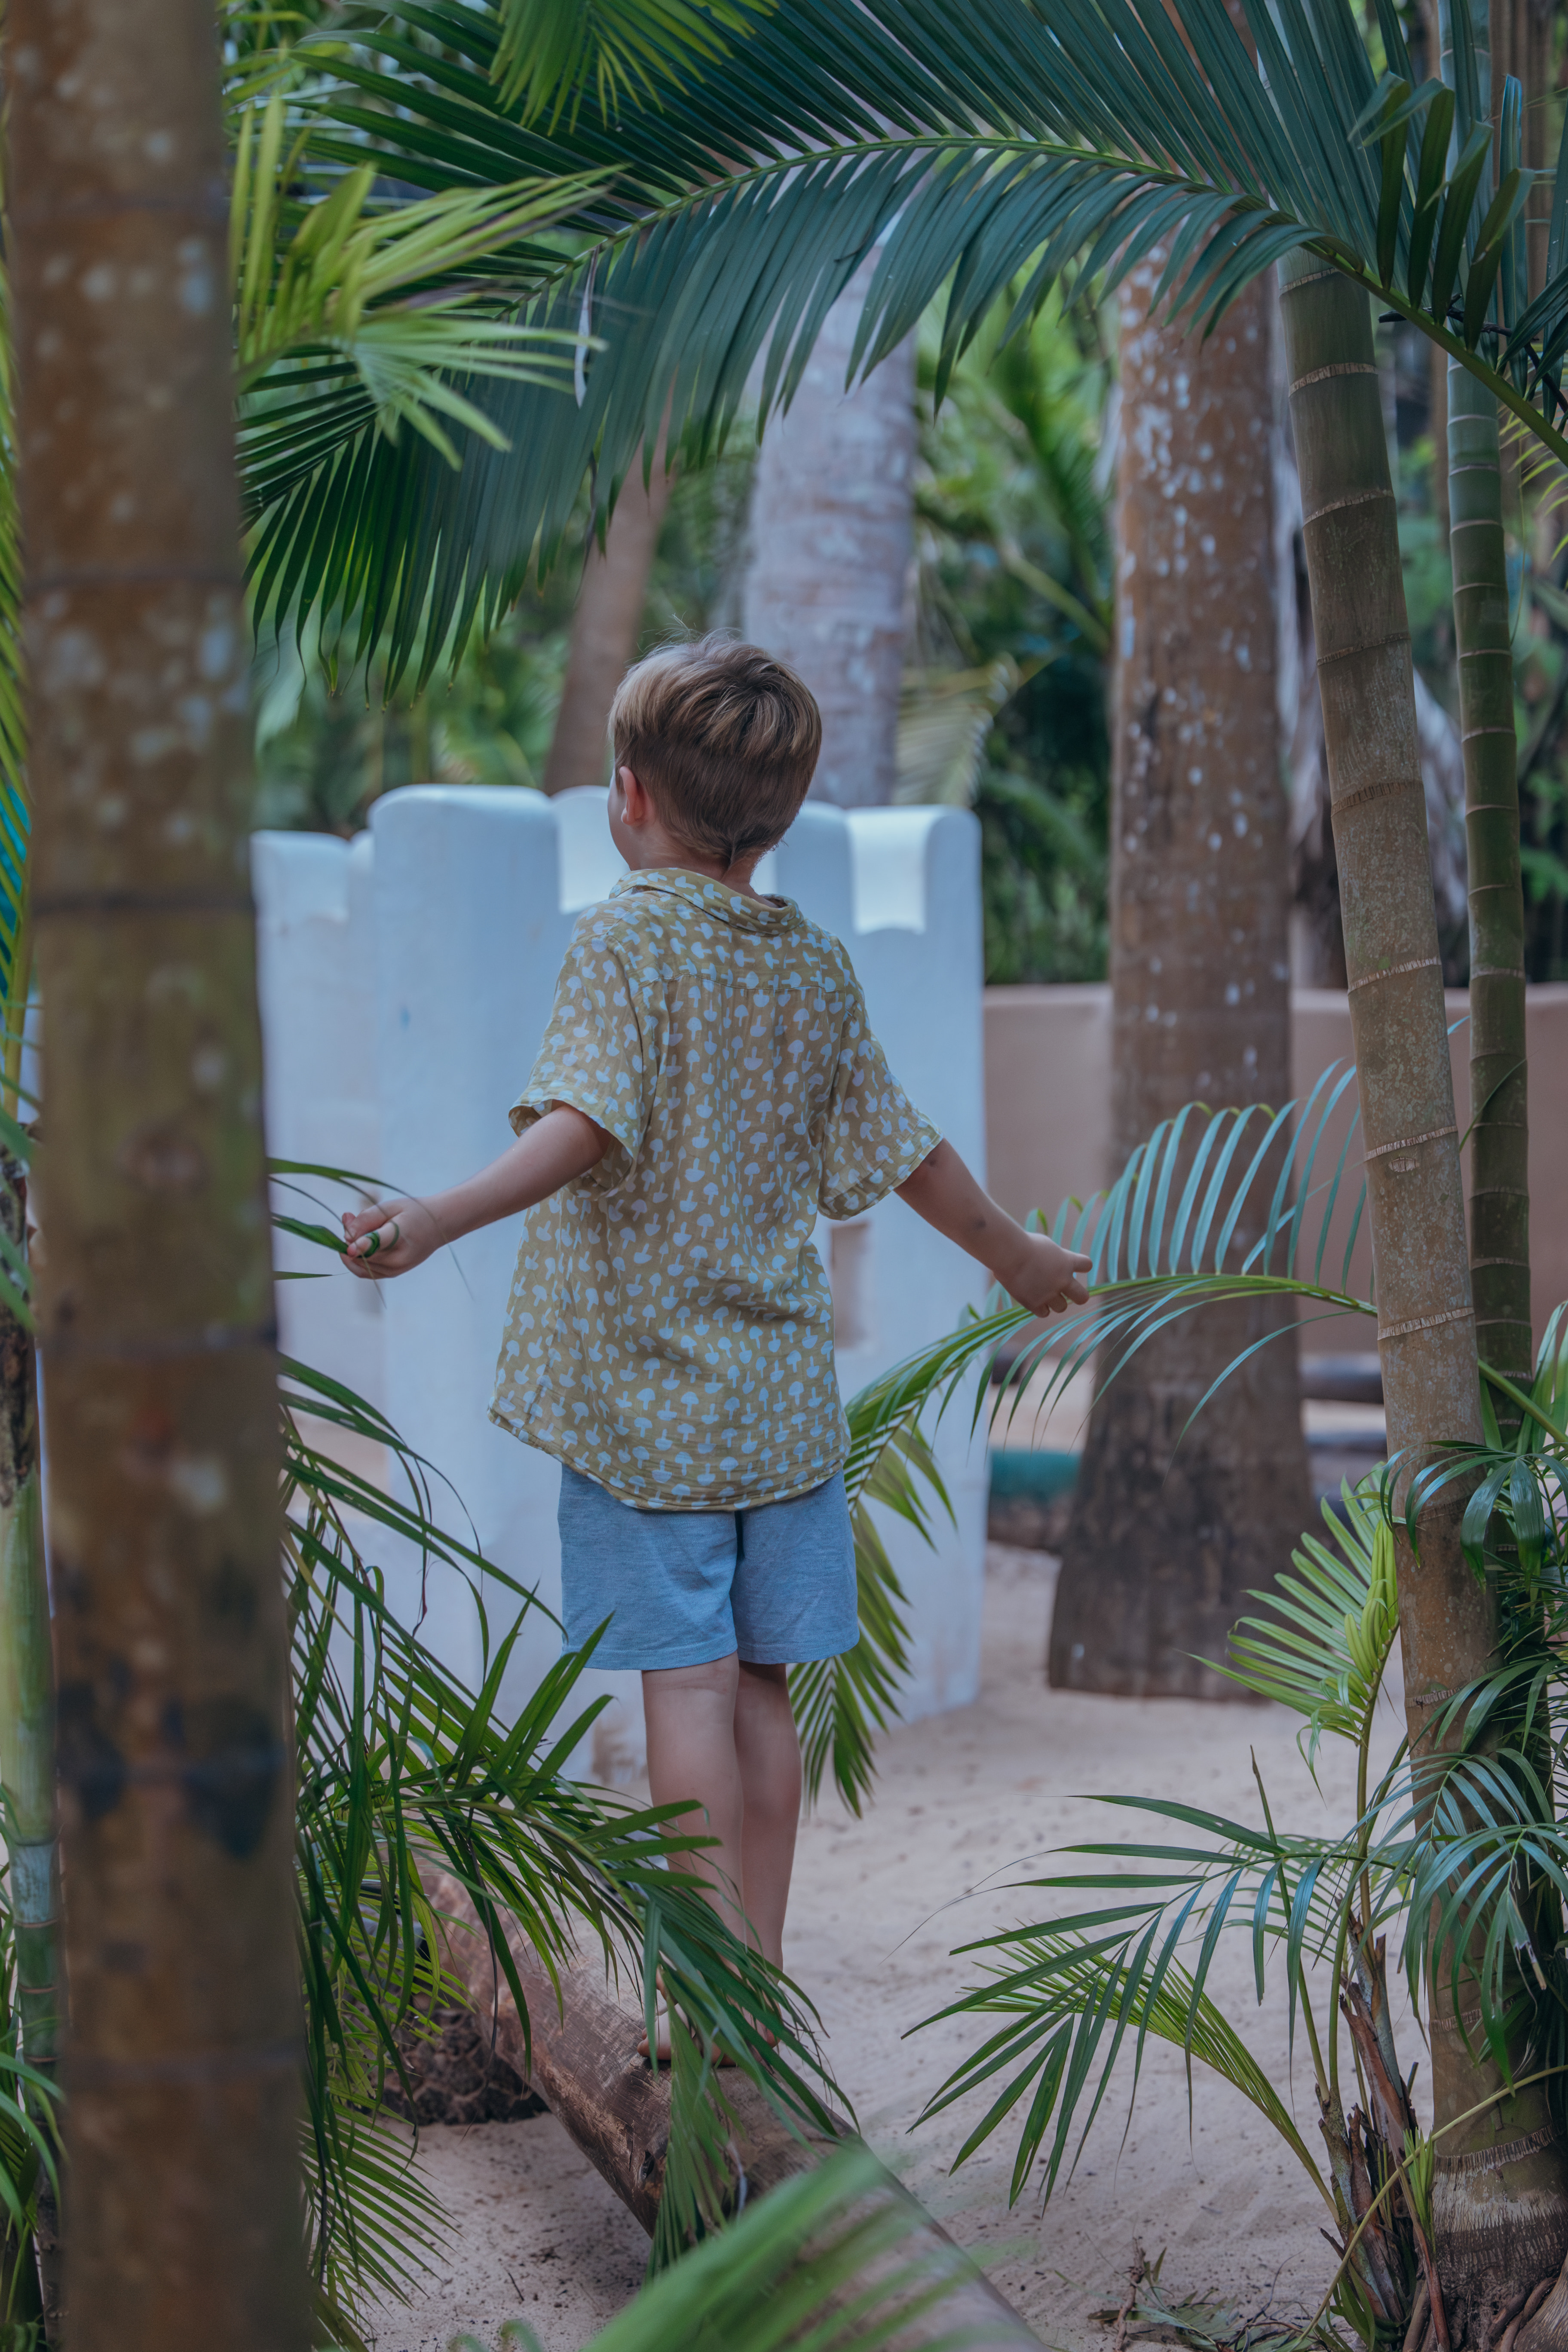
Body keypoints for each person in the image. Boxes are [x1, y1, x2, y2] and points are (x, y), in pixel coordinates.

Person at [342, 635, 1090, 2041]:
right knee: (759, 1689)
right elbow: (910, 1154)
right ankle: (762, 1969)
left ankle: (699, 1998)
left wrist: (441, 1215)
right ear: (782, 817)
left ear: (628, 797)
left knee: (681, 1683)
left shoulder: (623, 938)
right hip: (777, 1402)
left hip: (643, 1406)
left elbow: (582, 1128)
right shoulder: (811, 965)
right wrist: (1023, 1259)